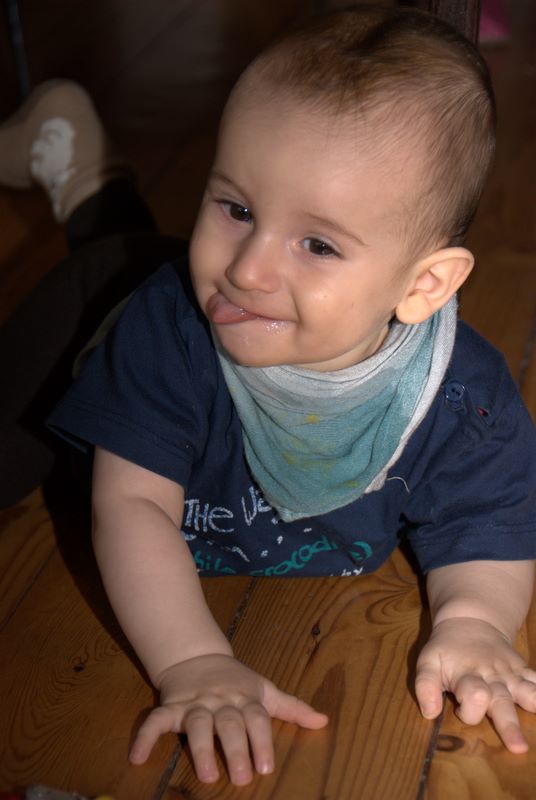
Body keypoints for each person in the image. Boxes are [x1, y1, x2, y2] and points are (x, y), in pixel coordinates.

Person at [3, 4, 536, 788]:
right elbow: (133, 506)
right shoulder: (166, 334)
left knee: (142, 254)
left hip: (160, 286)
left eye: (317, 244)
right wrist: (194, 661)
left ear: (425, 285)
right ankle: (84, 176)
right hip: (92, 311)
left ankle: (91, 176)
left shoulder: (462, 399)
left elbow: (484, 524)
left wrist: (476, 623)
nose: (247, 268)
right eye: (236, 208)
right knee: (108, 290)